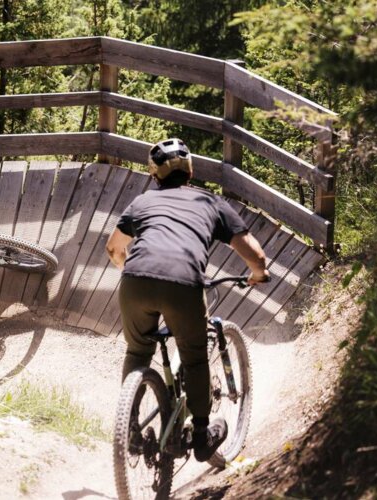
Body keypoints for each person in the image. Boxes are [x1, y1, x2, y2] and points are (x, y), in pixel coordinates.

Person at [105, 138, 270, 462]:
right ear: (191, 171)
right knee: (194, 358)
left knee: (138, 351)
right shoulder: (210, 202)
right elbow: (255, 254)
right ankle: (201, 435)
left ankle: (133, 431)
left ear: (155, 176)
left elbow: (113, 248)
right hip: (183, 285)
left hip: (134, 282)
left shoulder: (142, 202)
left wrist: (137, 271)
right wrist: (258, 273)